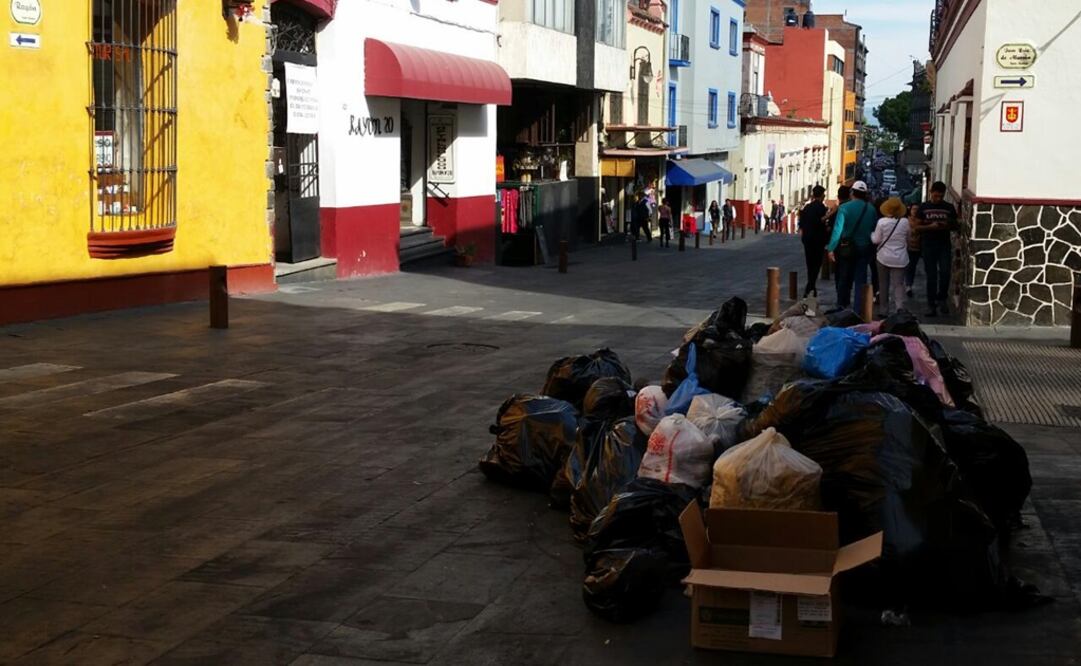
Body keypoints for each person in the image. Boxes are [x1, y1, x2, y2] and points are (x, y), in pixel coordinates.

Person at [826, 180, 877, 313]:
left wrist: (831, 248)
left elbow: (837, 230)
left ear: (852, 192)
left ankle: (842, 306)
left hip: (847, 248)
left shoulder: (844, 208)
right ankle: (859, 309)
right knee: (861, 279)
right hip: (865, 247)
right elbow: (874, 229)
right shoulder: (871, 209)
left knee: (844, 277)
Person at [914, 181, 958, 316]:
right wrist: (930, 227)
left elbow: (955, 225)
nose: (938, 199)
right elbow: (917, 227)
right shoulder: (923, 208)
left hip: (944, 244)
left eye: (940, 196)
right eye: (936, 196)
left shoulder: (949, 207)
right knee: (931, 276)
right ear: (931, 193)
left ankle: (942, 298)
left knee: (945, 273)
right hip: (928, 245)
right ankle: (931, 304)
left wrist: (945, 225)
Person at [871, 197, 911, 316]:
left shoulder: (882, 222)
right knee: (898, 284)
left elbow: (876, 240)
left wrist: (872, 235)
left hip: (883, 257)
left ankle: (884, 311)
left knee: (883, 284)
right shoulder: (905, 222)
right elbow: (908, 238)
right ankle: (899, 307)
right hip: (900, 258)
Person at [798, 185, 829, 297]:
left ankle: (811, 287)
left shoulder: (806, 208)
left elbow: (801, 224)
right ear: (822, 196)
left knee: (810, 264)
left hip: (807, 240)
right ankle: (810, 287)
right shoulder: (822, 208)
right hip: (818, 240)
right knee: (817, 264)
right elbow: (822, 223)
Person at [904, 203, 922, 297]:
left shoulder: (921, 221)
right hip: (907, 247)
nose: (915, 211)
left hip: (917, 247)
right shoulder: (905, 221)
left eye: (917, 209)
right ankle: (908, 285)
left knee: (912, 267)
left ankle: (909, 285)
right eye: (913, 209)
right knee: (908, 267)